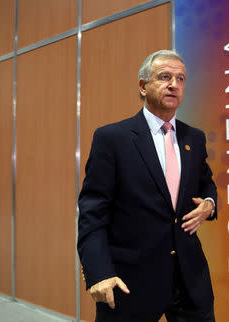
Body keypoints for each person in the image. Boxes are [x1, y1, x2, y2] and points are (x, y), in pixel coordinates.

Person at [77, 50, 217, 322]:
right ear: (143, 86)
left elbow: (206, 184)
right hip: (130, 282)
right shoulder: (112, 138)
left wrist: (209, 205)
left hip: (190, 279)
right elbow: (93, 212)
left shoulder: (194, 138)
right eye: (164, 77)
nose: (174, 84)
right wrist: (98, 272)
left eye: (180, 79)